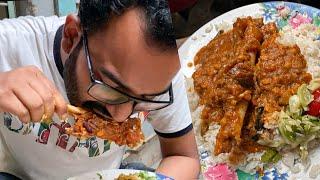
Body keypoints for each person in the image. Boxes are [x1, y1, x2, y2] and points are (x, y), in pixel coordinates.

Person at [0, 0, 200, 179]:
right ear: (71, 36)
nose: (121, 116)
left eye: (143, 100)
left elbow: (183, 156)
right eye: (111, 89)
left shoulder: (159, 75)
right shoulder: (9, 43)